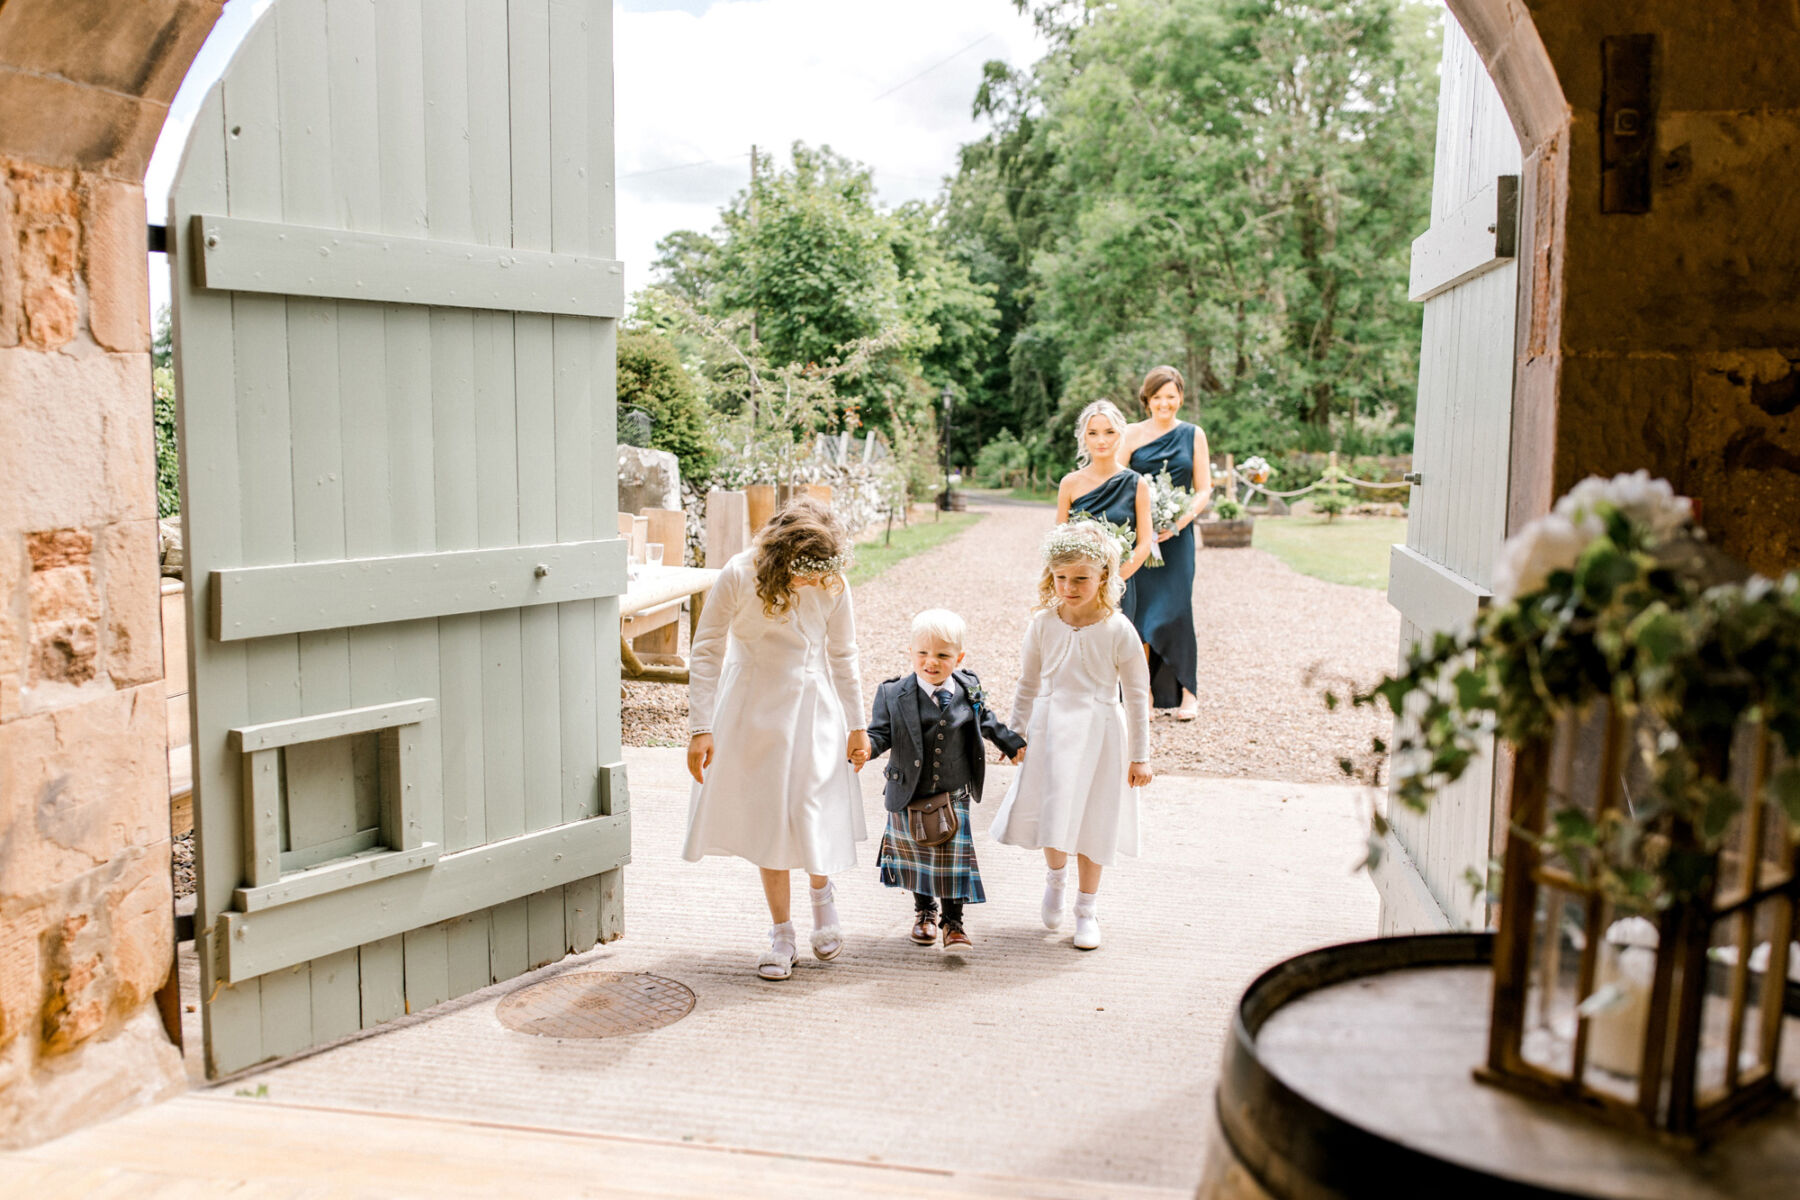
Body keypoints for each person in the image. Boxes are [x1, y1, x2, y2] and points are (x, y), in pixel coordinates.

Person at [683, 497, 872, 981]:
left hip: (813, 705)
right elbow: (706, 650)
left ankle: (822, 896)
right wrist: (700, 727)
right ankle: (782, 933)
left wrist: (857, 724)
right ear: (781, 555)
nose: (811, 582)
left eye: (819, 573)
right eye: (803, 572)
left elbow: (844, 654)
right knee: (768, 818)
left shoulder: (831, 580)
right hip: (751, 706)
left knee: (811, 805)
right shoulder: (739, 573)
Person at [989, 522, 1153, 951]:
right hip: (1051, 727)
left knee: (1094, 818)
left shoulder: (1118, 630)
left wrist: (1141, 755)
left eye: (1080, 578)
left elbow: (1136, 696)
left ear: (1104, 576)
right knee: (1054, 809)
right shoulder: (1043, 624)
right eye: (1061, 578)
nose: (1070, 587)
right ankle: (1055, 880)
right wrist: (1014, 735)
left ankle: (1087, 909)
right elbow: (1027, 683)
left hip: (1100, 734)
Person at [864, 609, 1026, 953]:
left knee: (953, 858)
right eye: (922, 653)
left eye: (942, 655)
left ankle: (953, 923)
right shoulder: (892, 693)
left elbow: (987, 721)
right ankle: (924, 913)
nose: (931, 662)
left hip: (954, 789)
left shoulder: (968, 686)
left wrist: (1011, 744)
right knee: (920, 854)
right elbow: (880, 733)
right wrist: (865, 748)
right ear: (910, 652)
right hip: (909, 788)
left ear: (959, 657)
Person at [1121, 366, 1211, 720]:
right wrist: (1144, 519)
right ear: (1147, 400)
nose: (1165, 403)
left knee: (1176, 611)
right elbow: (1120, 480)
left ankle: (1189, 692)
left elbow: (1203, 488)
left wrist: (1178, 520)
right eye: (1158, 397)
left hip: (1177, 537)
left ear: (1181, 398)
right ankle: (1141, 693)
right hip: (1141, 537)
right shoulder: (1130, 433)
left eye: (1171, 396)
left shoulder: (1193, 434)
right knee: (1140, 612)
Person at [1055, 399, 1154, 585]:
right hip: (1078, 584)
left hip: (1119, 583)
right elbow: (1059, 540)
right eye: (1093, 433)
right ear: (1084, 436)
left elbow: (1144, 544)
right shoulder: (1069, 483)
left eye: (1109, 432)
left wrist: (1113, 581)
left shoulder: (1137, 484)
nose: (1101, 440)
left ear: (1120, 434)